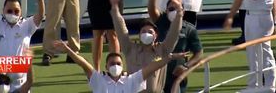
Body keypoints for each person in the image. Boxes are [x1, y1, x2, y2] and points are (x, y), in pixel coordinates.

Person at [109, 0, 182, 93]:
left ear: (156, 35)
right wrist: (115, 8)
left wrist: (179, 13)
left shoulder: (163, 50)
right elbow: (121, 30)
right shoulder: (130, 49)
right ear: (139, 35)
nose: (146, 34)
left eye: (150, 32)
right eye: (143, 31)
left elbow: (174, 33)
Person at [53, 40, 187, 93]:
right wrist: (67, 49)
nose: (115, 66)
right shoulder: (98, 80)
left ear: (123, 66)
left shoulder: (132, 80)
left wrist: (169, 57)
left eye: (118, 63)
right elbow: (82, 63)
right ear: (106, 66)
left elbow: (153, 67)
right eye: (112, 64)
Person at [148, 0, 203, 93]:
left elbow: (198, 53)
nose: (173, 11)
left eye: (177, 8)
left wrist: (186, 66)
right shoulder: (163, 22)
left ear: (182, 11)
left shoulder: (189, 29)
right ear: (166, 11)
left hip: (177, 73)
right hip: (159, 71)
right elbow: (152, 11)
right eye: (170, 9)